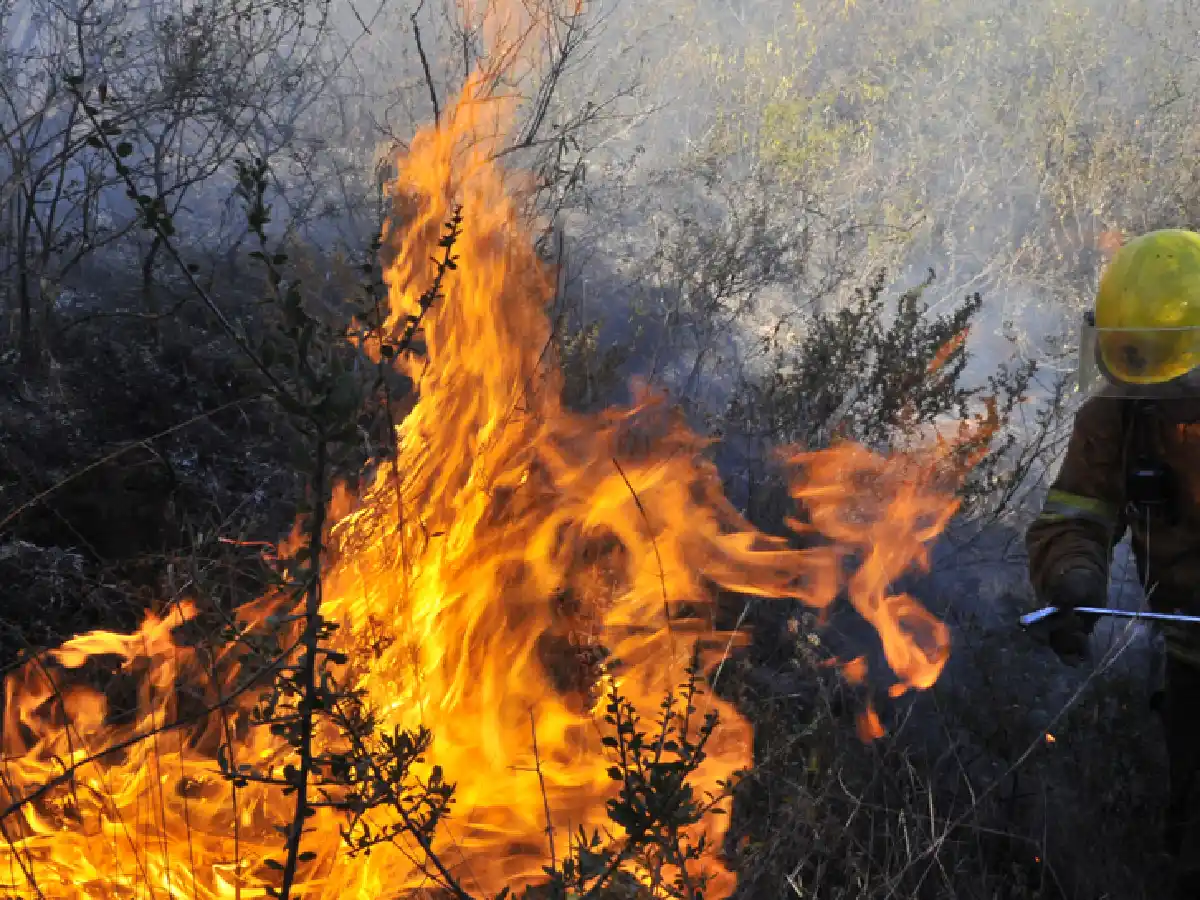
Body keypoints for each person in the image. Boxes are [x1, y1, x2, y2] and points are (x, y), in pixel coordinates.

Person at [1025, 228, 1200, 882]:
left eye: (1168, 378)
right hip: (1189, 661)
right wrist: (1072, 578)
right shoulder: (1119, 417)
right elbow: (1076, 514)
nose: (1152, 398)